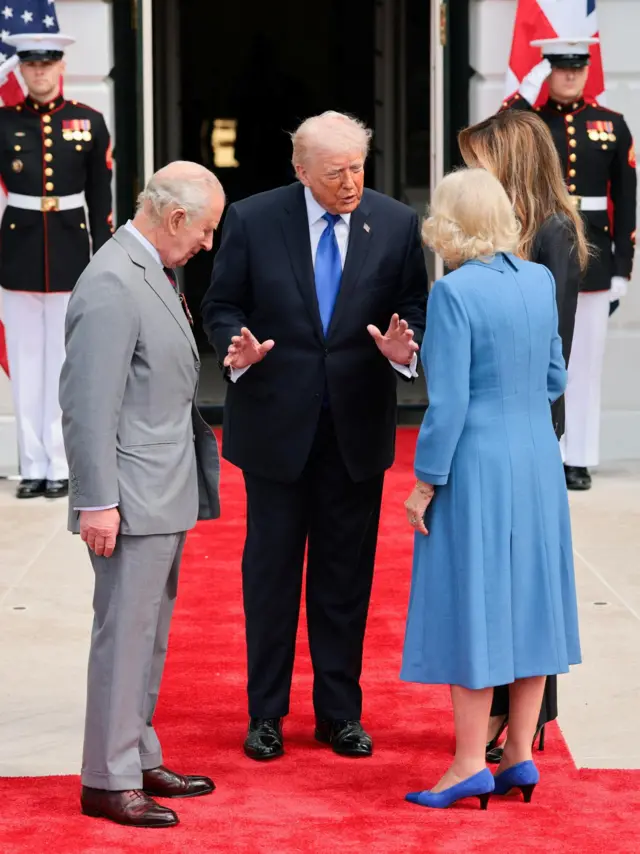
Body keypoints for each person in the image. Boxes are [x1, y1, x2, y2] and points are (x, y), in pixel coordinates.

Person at [201, 111, 428, 761]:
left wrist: (402, 348)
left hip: (355, 427)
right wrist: (232, 347)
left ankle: (339, 713)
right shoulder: (253, 218)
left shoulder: (393, 222)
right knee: (270, 578)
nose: (351, 181)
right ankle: (266, 714)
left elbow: (413, 303)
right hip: (276, 427)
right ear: (301, 172)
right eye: (336, 173)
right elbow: (222, 304)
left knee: (343, 579)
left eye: (359, 166)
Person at [401, 168, 581, 810]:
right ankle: (521, 755)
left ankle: (467, 764)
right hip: (536, 457)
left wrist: (424, 484)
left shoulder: (454, 294)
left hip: (476, 463)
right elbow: (557, 376)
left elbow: (446, 406)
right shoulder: (537, 280)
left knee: (472, 606)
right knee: (532, 602)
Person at [59, 162, 224, 829]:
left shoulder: (147, 269)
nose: (208, 245)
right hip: (129, 493)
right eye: (205, 230)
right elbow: (86, 403)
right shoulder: (111, 281)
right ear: (175, 218)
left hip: (160, 489)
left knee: (148, 635)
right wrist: (96, 498)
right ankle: (108, 778)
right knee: (124, 636)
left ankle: (136, 750)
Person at [458, 108, 590, 761]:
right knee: (504, 577)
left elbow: (551, 352)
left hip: (528, 425)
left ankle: (524, 718)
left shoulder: (553, 235)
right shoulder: (507, 234)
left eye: (480, 159)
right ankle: (510, 721)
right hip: (511, 423)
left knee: (526, 579)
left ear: (510, 161)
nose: (471, 172)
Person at [502, 37, 637, 491]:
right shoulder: (531, 123)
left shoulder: (611, 125)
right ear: (548, 72)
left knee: (585, 362)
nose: (570, 75)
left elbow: (627, 199)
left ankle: (577, 457)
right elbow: (497, 133)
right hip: (538, 253)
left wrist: (623, 266)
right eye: (560, 68)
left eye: (577, 68)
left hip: (594, 258)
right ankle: (545, 451)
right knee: (540, 354)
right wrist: (526, 90)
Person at [0, 31, 113, 499]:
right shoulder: (3, 121)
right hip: (17, 252)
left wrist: (104, 257)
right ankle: (33, 466)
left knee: (66, 365)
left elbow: (100, 196)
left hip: (71, 252)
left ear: (61, 67)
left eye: (48, 64)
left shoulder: (88, 121)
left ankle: (63, 465)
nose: (40, 72)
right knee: (27, 365)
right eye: (31, 65)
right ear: (20, 71)